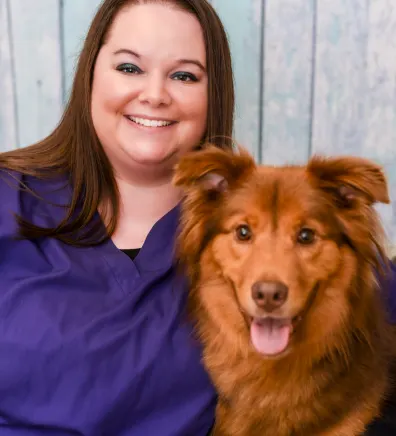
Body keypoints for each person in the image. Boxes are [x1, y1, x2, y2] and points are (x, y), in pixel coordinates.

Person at [0, 0, 395, 435]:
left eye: (184, 75)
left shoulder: (234, 215)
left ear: (213, 94)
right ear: (90, 74)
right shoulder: (9, 195)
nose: (154, 94)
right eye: (129, 68)